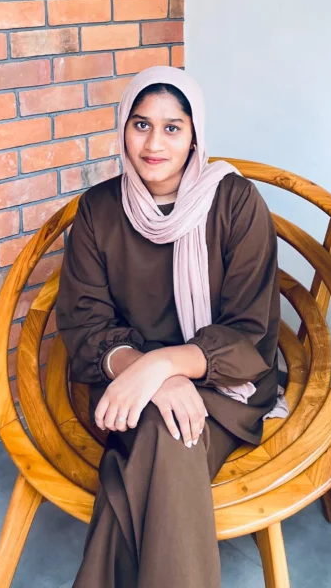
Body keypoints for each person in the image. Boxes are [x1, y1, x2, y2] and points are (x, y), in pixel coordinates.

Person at [55, 65, 285, 588]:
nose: (154, 143)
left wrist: (163, 366)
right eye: (141, 125)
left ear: (194, 135)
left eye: (172, 127)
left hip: (224, 382)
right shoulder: (98, 209)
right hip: (127, 378)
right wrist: (150, 376)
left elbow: (250, 329)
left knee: (162, 437)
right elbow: (86, 322)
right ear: (123, 128)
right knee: (166, 434)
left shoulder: (234, 202)